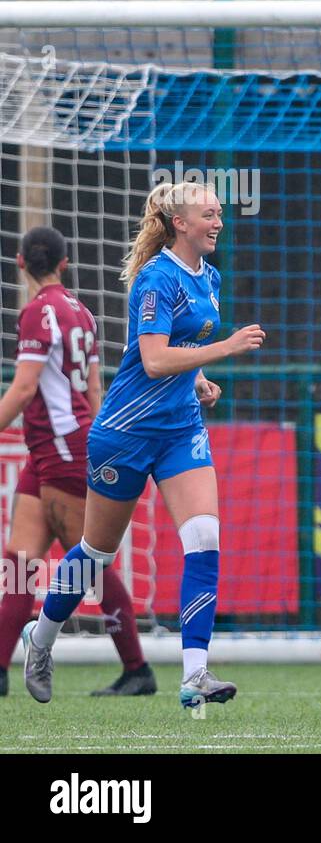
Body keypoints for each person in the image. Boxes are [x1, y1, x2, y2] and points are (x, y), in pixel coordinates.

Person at [20, 182, 265, 709]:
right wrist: (226, 347)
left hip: (180, 430)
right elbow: (152, 361)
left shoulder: (211, 277)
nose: (218, 221)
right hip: (125, 434)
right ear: (180, 222)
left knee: (204, 537)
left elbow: (182, 351)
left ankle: (195, 673)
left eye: (220, 212)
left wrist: (198, 380)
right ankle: (40, 639)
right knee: (95, 554)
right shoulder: (156, 278)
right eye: (208, 213)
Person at [0, 227, 154, 697]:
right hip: (55, 450)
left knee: (88, 565)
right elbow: (93, 391)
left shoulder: (34, 313)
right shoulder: (83, 313)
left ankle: (137, 668)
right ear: (65, 264)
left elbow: (24, 388)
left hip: (63, 450)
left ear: (21, 264)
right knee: (20, 562)